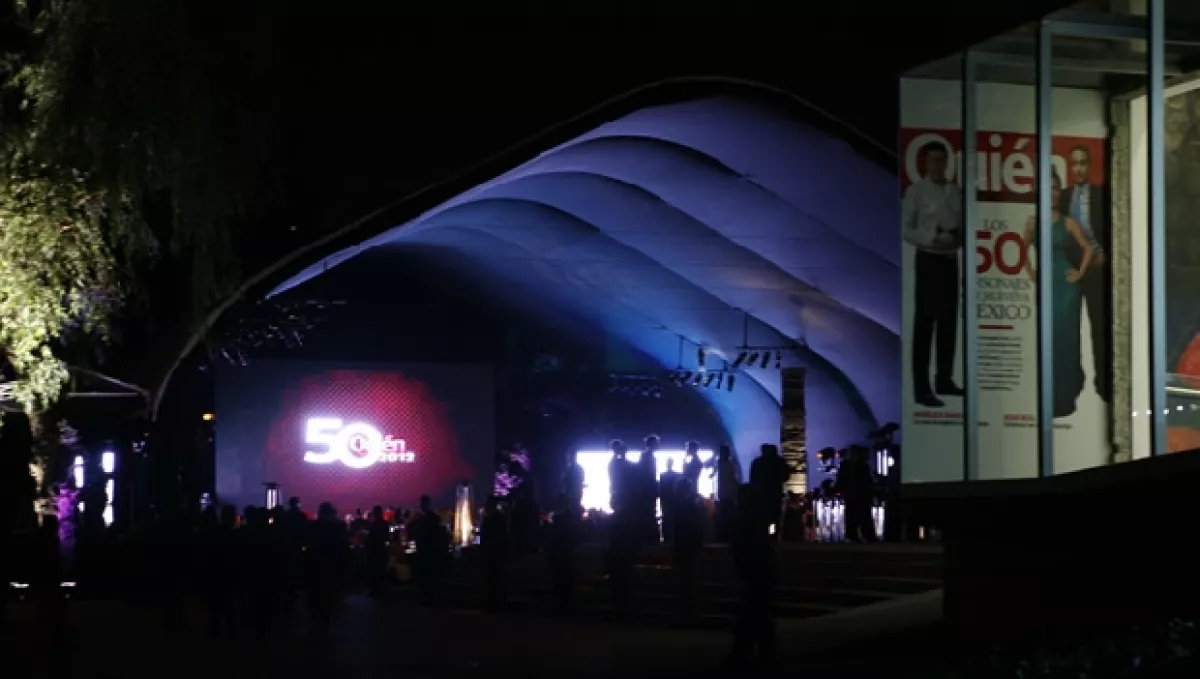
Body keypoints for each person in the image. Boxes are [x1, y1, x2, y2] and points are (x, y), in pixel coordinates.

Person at [1024, 170, 1095, 418]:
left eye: (1055, 188)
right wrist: (1031, 273)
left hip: (1066, 289)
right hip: (1047, 286)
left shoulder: (1068, 223)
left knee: (1067, 341)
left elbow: (1088, 249)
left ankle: (1066, 398)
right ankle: (1049, 399)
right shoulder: (1032, 222)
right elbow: (1022, 250)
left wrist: (1080, 273)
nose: (1052, 193)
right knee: (1048, 340)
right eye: (1047, 188)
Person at [902, 141, 964, 408]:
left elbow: (960, 222)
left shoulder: (954, 191)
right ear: (925, 163)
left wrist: (954, 238)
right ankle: (921, 387)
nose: (938, 165)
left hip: (950, 259)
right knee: (925, 324)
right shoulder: (916, 191)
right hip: (929, 259)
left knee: (949, 321)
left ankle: (944, 378)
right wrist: (929, 239)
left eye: (941, 160)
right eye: (933, 160)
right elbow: (906, 228)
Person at [1062, 144, 1110, 403]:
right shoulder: (1065, 195)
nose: (1079, 168)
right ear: (1070, 167)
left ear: (1089, 166)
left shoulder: (1102, 194)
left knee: (1098, 327)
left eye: (1083, 163)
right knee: (1070, 328)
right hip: (1072, 268)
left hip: (1096, 268)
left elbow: (1115, 228)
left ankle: (1103, 383)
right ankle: (1073, 383)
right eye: (1074, 163)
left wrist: (1107, 253)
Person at [728, 484, 776, 665]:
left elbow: (741, 549)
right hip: (761, 572)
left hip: (753, 573)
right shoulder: (757, 519)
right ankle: (764, 653)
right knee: (761, 616)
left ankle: (744, 653)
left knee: (749, 615)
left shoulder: (744, 522)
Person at [749, 444, 801, 541]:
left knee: (763, 518)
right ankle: (773, 537)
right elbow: (786, 476)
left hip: (762, 496)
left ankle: (764, 536)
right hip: (774, 495)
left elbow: (752, 480)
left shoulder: (757, 462)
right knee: (774, 517)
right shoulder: (779, 462)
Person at [710, 444, 741, 543]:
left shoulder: (723, 465)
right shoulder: (728, 465)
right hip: (726, 497)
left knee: (723, 519)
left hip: (723, 497)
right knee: (726, 519)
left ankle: (722, 538)